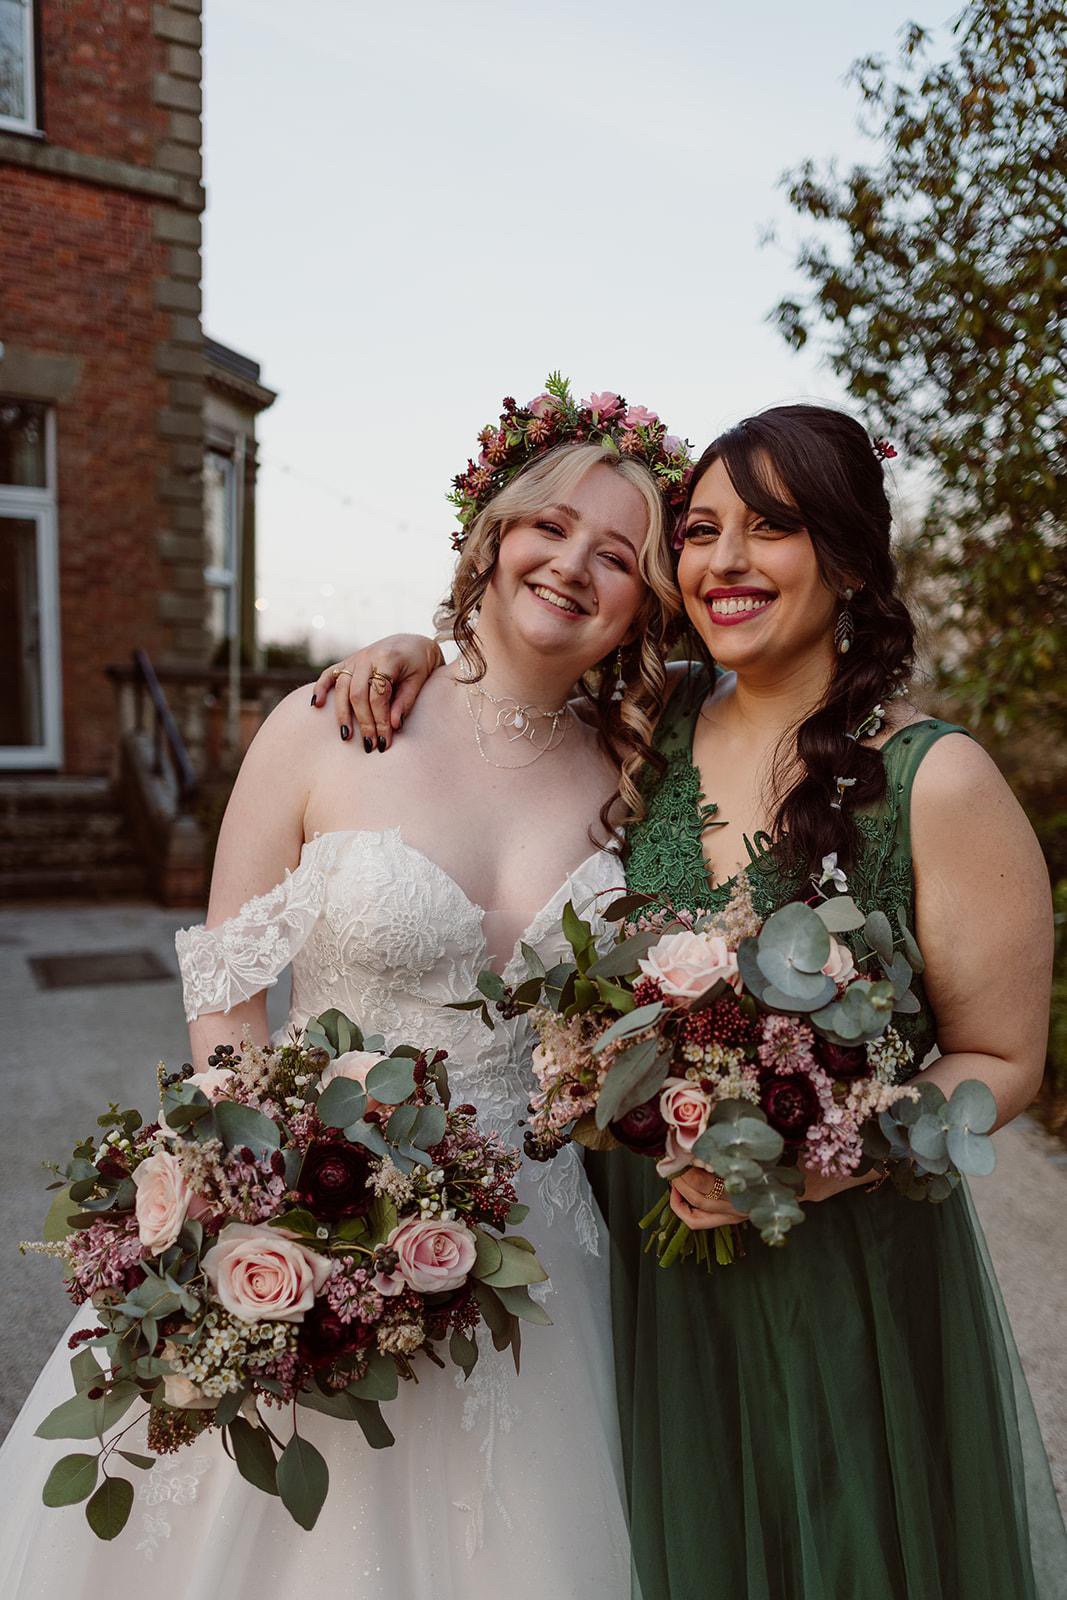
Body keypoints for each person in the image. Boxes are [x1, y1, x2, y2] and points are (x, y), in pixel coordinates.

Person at [322, 403, 1066, 1598]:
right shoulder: (643, 726)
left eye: (767, 529)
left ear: (847, 555)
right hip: (649, 1269)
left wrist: (825, 1153)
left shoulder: (937, 780)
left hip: (840, 1268)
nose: (721, 562)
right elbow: (506, 682)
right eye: (699, 529)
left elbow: (1000, 1059)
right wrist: (411, 651)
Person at [0, 402, 683, 1597]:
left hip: (536, 1257)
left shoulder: (641, 774)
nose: (574, 566)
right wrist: (263, 1199)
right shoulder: (327, 726)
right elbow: (224, 977)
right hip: (310, 1212)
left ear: (643, 602)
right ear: (491, 534)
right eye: (554, 526)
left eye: (619, 556)